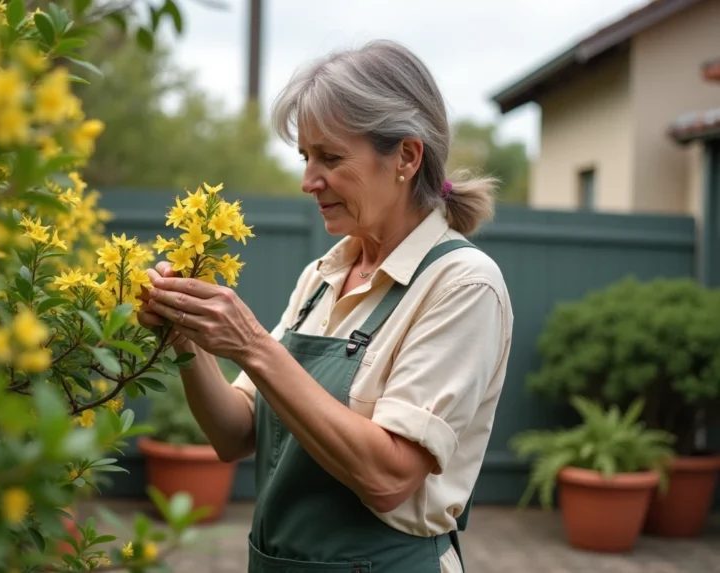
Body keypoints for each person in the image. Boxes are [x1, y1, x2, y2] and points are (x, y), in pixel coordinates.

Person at [137, 39, 513, 573]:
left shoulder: (462, 285)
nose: (308, 181)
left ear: (406, 156)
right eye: (306, 157)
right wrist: (186, 337)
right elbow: (234, 433)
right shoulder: (321, 277)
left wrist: (253, 346)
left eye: (331, 158)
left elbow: (387, 478)